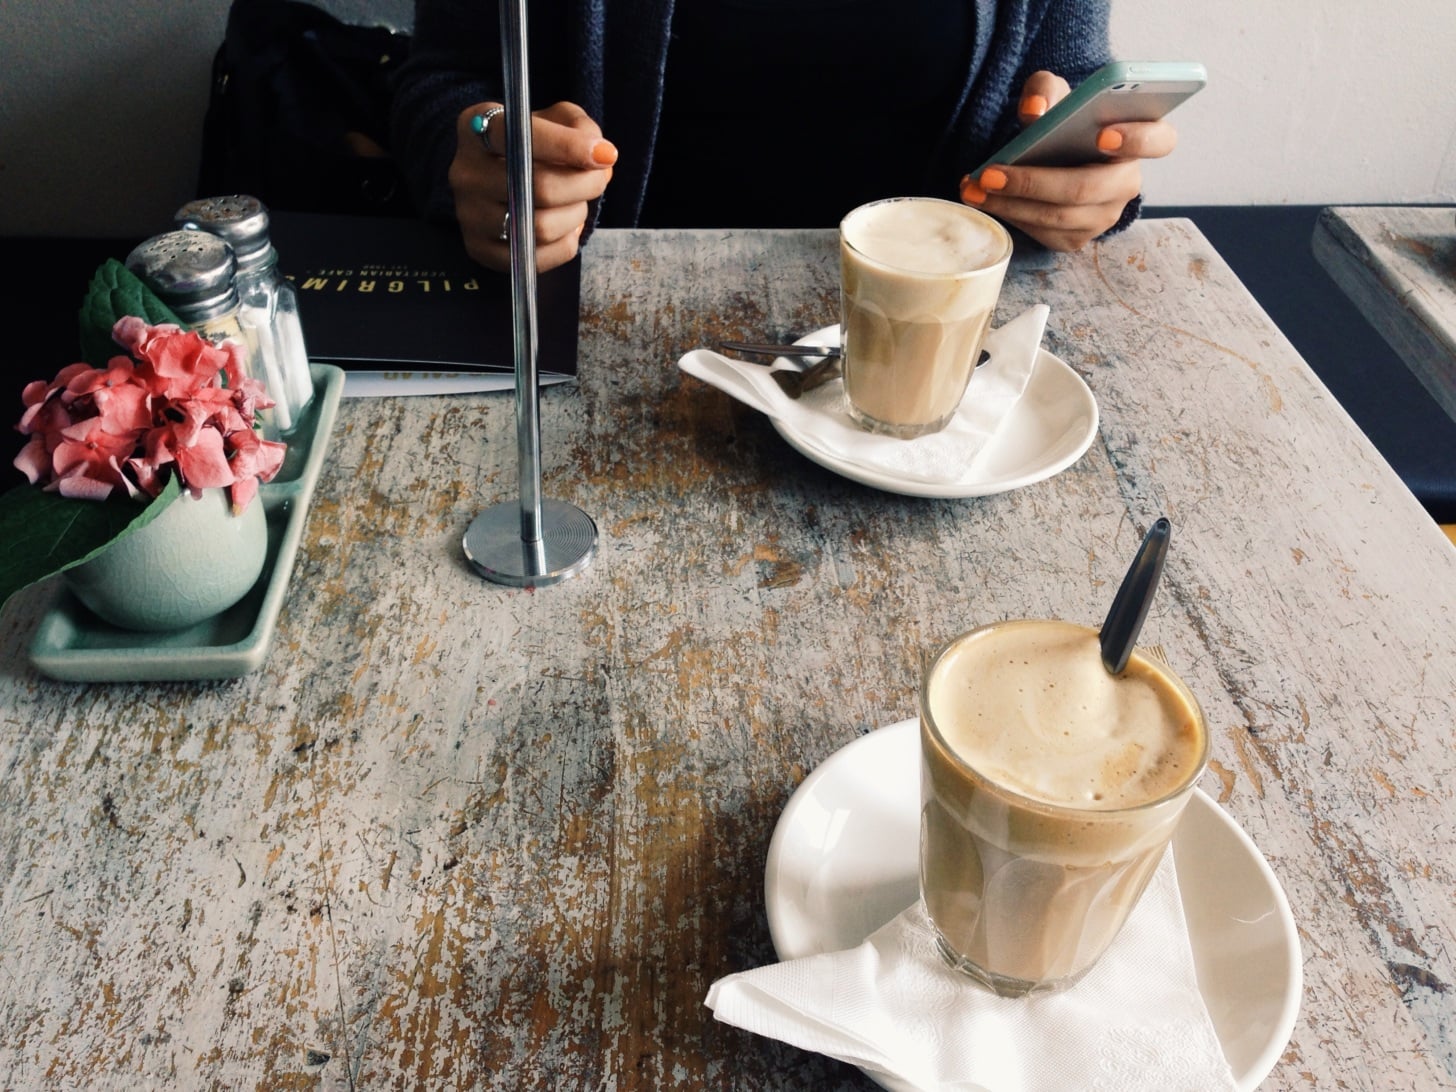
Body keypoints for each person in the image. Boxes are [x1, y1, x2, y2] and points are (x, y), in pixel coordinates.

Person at [391, 0, 1178, 273]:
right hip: (611, 335)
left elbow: (1068, 76)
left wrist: (1084, 175)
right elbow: (443, 78)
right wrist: (482, 144)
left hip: (948, 349)